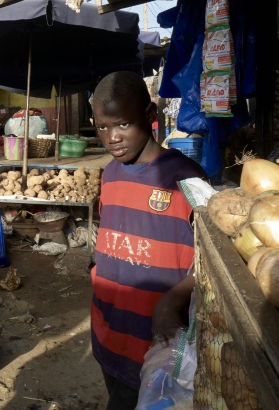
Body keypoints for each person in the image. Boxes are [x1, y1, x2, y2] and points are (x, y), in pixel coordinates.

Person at [90, 71, 207, 409]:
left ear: (150, 116)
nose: (112, 138)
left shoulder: (186, 179)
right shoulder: (109, 173)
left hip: (151, 347)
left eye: (122, 124)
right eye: (102, 127)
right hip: (107, 331)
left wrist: (175, 297)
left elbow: (214, 263)